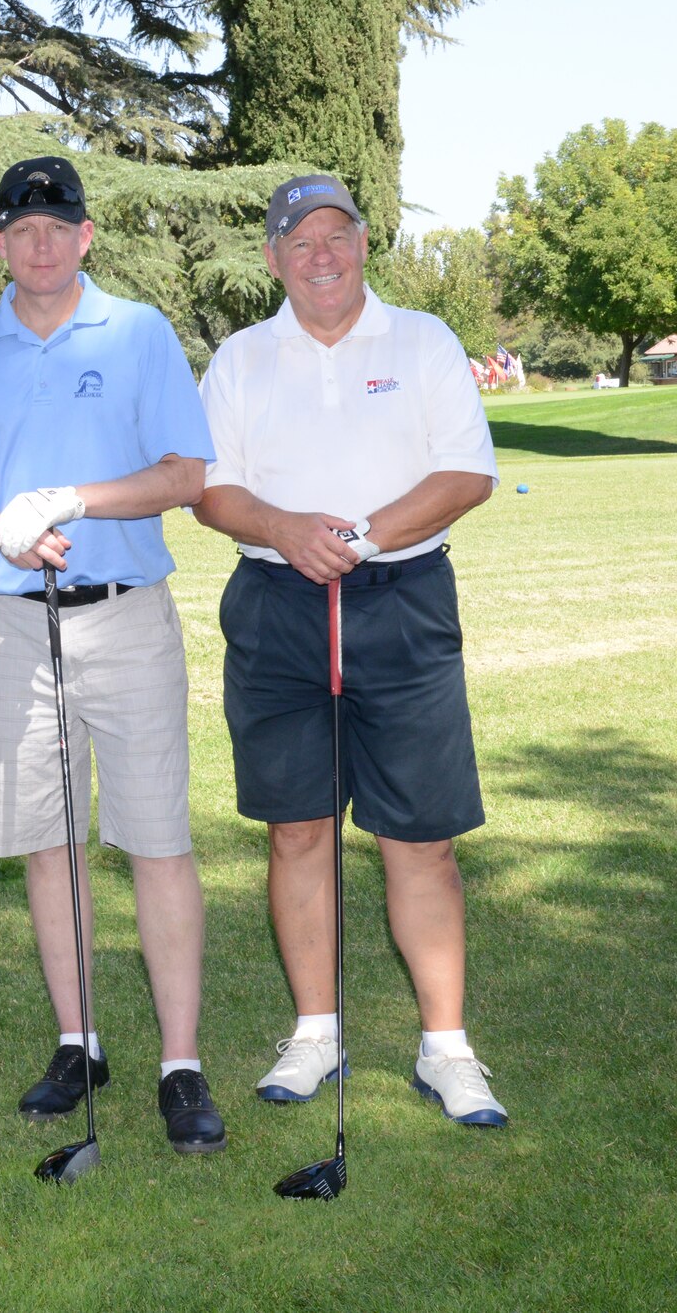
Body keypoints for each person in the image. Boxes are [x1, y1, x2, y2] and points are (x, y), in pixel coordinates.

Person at [0, 157, 225, 1154]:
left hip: (125, 616)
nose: (40, 241)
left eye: (57, 225)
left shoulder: (136, 332)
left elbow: (184, 472)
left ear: (85, 236)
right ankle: (76, 1039)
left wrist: (76, 499)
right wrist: (1, 524)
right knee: (46, 839)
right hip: (11, 622)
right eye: (21, 227)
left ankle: (179, 1064)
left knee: (154, 838)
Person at [192, 173, 508, 1128]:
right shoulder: (241, 359)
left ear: (364, 243)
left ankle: (445, 1047)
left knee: (421, 838)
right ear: (273, 258)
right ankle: (316, 1029)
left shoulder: (422, 341)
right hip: (278, 607)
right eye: (300, 240)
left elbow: (467, 473)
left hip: (401, 601)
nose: (320, 254)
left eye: (336, 235)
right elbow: (211, 490)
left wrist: (361, 535)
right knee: (298, 828)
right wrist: (289, 529)